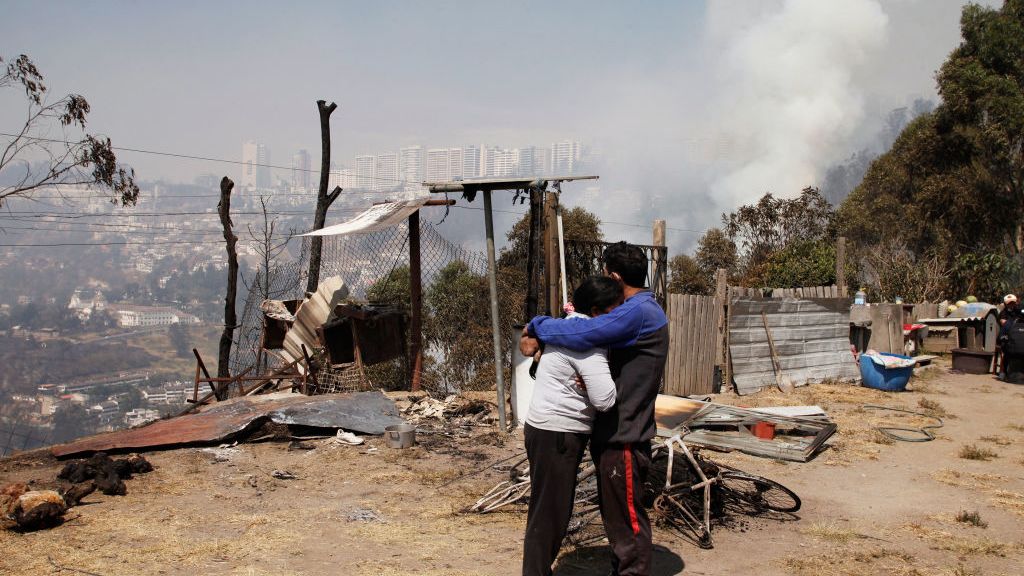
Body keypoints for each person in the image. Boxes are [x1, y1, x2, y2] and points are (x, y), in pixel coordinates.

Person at [521, 241, 669, 576]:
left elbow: (586, 330)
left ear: (615, 276)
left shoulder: (636, 312)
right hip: (610, 432)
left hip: (625, 435)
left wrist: (539, 325)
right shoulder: (640, 308)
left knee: (626, 524)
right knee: (616, 521)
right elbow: (584, 331)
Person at [521, 275, 622, 576]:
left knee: (546, 508)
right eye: (614, 309)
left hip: (543, 427)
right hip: (559, 433)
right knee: (551, 513)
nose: (618, 316)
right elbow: (605, 400)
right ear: (596, 310)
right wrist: (612, 382)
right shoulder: (587, 343)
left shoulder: (564, 329)